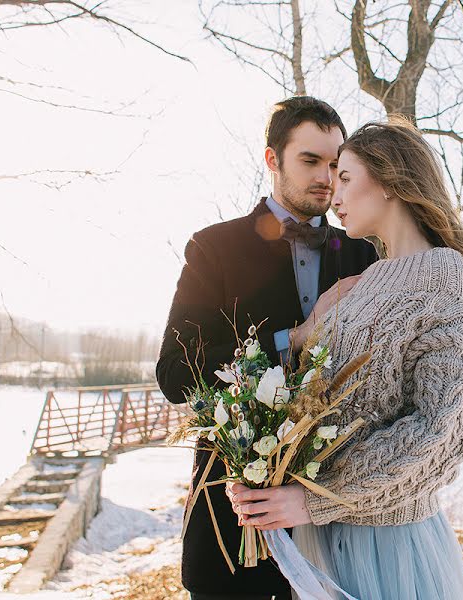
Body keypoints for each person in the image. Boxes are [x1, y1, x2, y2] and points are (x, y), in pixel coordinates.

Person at [227, 117, 463, 599]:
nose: (334, 195)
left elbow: (442, 431)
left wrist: (314, 500)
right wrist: (260, 468)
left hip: (388, 548)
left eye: (346, 178)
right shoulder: (368, 279)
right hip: (323, 540)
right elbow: (317, 400)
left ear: (390, 180)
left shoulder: (442, 273)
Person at [156, 96, 379, 600]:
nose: (326, 176)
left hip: (342, 531)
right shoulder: (214, 248)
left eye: (336, 163)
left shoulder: (366, 254)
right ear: (272, 160)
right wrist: (293, 343)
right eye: (310, 160)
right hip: (235, 530)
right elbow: (174, 373)